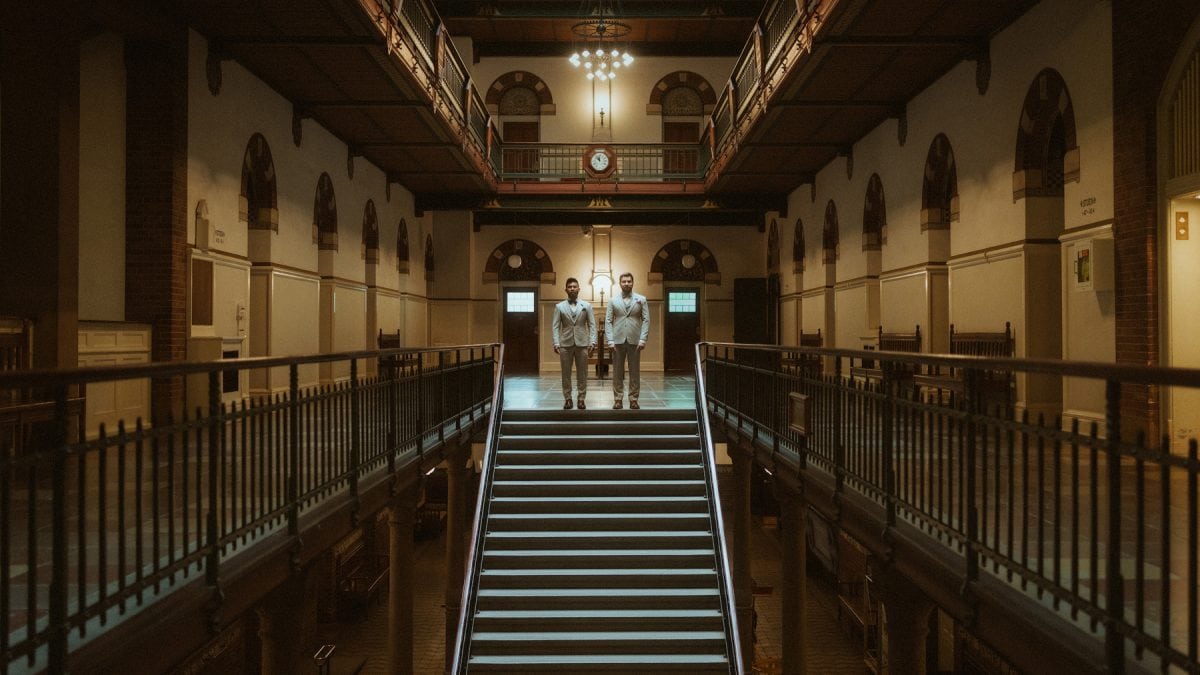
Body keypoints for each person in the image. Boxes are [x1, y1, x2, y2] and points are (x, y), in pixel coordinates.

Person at [605, 272, 649, 409]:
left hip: (635, 340)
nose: (626, 283)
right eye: (624, 281)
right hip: (617, 340)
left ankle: (633, 399)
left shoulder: (641, 299)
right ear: (620, 283)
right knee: (617, 371)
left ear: (633, 282)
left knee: (634, 371)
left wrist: (643, 339)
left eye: (629, 281)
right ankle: (618, 399)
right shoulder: (613, 300)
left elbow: (646, 320)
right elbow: (608, 320)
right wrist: (610, 340)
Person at [551, 277, 597, 409]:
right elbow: (555, 326)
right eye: (570, 287)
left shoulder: (586, 306)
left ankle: (581, 398)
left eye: (574, 286)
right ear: (566, 289)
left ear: (578, 289)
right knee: (566, 373)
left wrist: (592, 341)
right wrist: (556, 342)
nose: (572, 288)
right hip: (565, 344)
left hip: (583, 344)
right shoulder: (559, 306)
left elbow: (592, 325)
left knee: (582, 373)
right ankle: (568, 399)